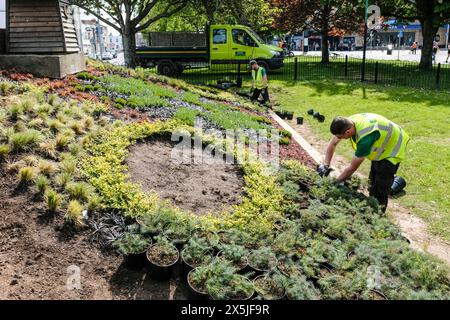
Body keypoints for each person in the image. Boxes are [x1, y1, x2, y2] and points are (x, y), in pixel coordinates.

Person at [317, 113, 409, 213]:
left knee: (381, 187)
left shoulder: (365, 138)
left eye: (340, 137)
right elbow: (333, 143)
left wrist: (335, 182)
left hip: (393, 148)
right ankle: (373, 203)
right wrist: (326, 165)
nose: (339, 139)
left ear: (347, 132)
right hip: (382, 143)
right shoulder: (347, 122)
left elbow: (352, 168)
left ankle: (378, 214)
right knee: (372, 182)